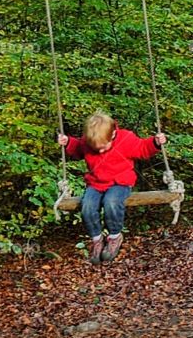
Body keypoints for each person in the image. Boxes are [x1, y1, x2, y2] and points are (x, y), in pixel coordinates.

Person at [57, 111, 168, 264]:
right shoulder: (89, 141)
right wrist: (67, 142)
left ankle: (115, 236)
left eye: (103, 147)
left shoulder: (126, 139)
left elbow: (143, 148)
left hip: (120, 182)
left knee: (111, 202)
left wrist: (155, 142)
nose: (100, 151)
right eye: (96, 148)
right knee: (87, 206)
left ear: (113, 134)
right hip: (96, 183)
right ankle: (97, 239)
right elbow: (77, 149)